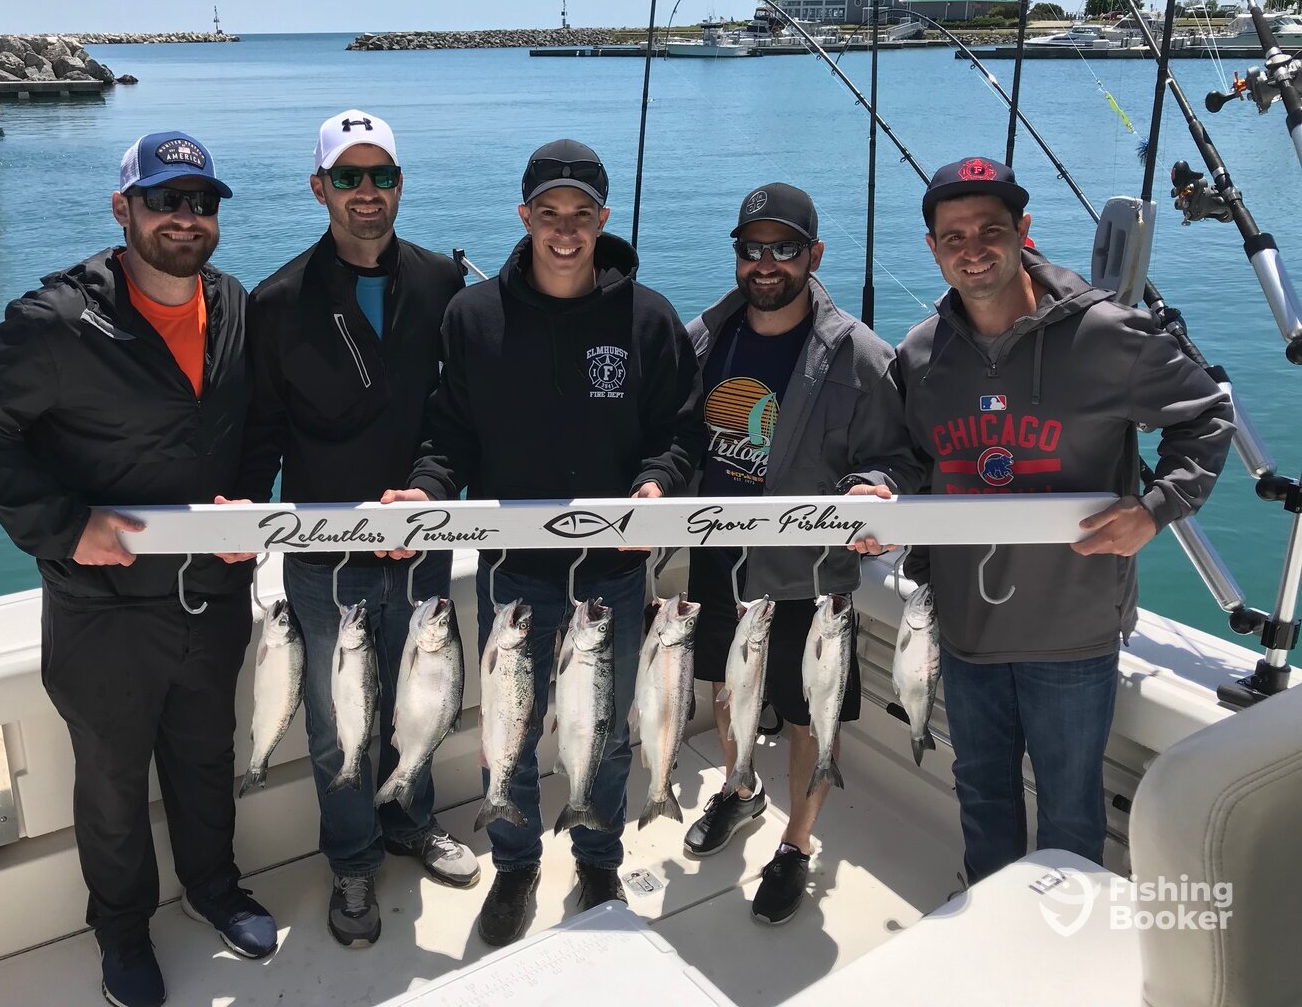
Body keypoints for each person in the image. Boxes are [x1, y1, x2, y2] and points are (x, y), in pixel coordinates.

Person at [0, 131, 276, 1007]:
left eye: (201, 202)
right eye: (164, 200)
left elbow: (256, 426)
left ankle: (213, 889)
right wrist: (62, 526)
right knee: (113, 781)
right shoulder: (57, 321)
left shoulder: (234, 304)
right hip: (102, 608)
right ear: (122, 207)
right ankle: (123, 933)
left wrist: (247, 506)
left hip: (211, 594)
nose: (184, 218)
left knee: (206, 757)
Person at [381, 138, 706, 948]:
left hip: (614, 570)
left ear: (604, 218)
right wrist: (426, 491)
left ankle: (599, 856)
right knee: (512, 733)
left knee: (608, 729)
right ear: (524, 216)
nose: (566, 231)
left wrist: (657, 483)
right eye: (550, 213)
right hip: (512, 571)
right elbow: (448, 436)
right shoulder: (473, 317)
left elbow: (679, 432)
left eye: (582, 214)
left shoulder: (649, 318)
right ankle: (516, 863)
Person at [896, 156, 1235, 885]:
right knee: (980, 791)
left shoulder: (1110, 333)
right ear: (932, 248)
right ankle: (990, 910)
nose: (973, 249)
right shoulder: (920, 354)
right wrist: (879, 501)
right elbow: (909, 461)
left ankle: (1067, 932)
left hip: (1073, 632)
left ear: (1024, 229)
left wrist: (1155, 509)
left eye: (991, 229)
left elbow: (1208, 416)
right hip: (965, 629)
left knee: (1071, 806)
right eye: (953, 236)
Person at [234, 109, 476, 949]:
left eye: (381, 175)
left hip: (420, 537)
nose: (366, 192)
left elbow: (458, 416)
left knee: (422, 692)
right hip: (324, 554)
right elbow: (261, 433)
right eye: (348, 177)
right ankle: (352, 857)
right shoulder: (278, 301)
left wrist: (428, 489)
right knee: (334, 718)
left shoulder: (444, 283)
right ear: (319, 188)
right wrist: (245, 514)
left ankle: (411, 822)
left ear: (400, 185)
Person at [683, 183, 924, 925]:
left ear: (814, 255)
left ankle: (796, 842)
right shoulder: (703, 338)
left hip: (809, 572)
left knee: (807, 716)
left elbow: (901, 458)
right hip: (720, 558)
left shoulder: (862, 355)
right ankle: (739, 788)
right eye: (751, 248)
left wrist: (878, 487)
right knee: (725, 687)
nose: (766, 263)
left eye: (784, 248)